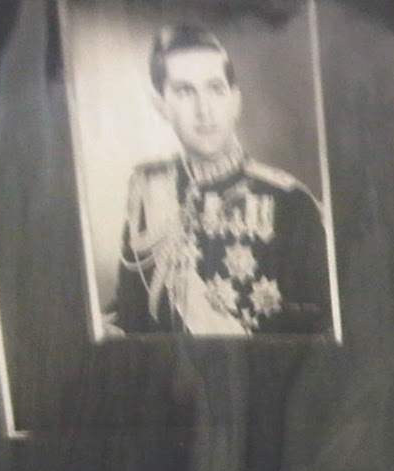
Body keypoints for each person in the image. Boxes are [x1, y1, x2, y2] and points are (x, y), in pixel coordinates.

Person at [110, 24, 332, 335]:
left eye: (215, 89)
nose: (204, 110)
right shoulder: (148, 191)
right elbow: (131, 317)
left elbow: (320, 330)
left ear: (235, 101)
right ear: (161, 106)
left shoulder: (290, 201)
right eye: (185, 92)